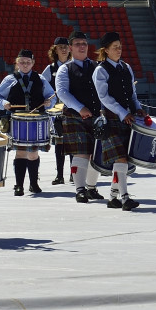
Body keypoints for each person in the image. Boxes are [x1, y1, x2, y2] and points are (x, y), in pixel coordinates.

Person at [92, 32, 145, 211]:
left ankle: (113, 198)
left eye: (120, 46)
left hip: (128, 118)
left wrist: (137, 107)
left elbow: (132, 93)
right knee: (120, 159)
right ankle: (125, 198)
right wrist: (123, 112)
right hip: (112, 119)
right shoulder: (100, 70)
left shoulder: (126, 67)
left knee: (122, 161)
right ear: (105, 50)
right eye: (114, 47)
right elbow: (104, 98)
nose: (119, 50)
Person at [0, 49, 55, 196]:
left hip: (35, 120)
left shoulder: (40, 79)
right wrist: (4, 103)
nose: (25, 65)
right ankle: (18, 185)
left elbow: (51, 97)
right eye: (22, 62)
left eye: (28, 62)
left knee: (33, 153)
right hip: (17, 120)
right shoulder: (10, 79)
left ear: (33, 63)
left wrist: (48, 103)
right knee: (20, 152)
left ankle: (33, 183)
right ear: (17, 63)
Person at [54, 31, 106, 203]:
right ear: (70, 48)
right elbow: (62, 93)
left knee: (95, 153)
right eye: (77, 44)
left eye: (84, 43)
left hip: (97, 116)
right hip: (74, 116)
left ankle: (91, 188)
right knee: (81, 153)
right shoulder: (64, 69)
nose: (82, 46)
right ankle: (80, 190)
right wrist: (80, 107)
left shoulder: (98, 66)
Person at [41, 37, 72, 185]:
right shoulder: (50, 69)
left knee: (73, 140)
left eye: (66, 46)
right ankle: (60, 175)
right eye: (61, 47)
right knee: (59, 142)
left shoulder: (74, 66)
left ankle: (74, 174)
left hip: (73, 108)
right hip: (57, 110)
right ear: (56, 50)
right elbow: (43, 87)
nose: (64, 49)